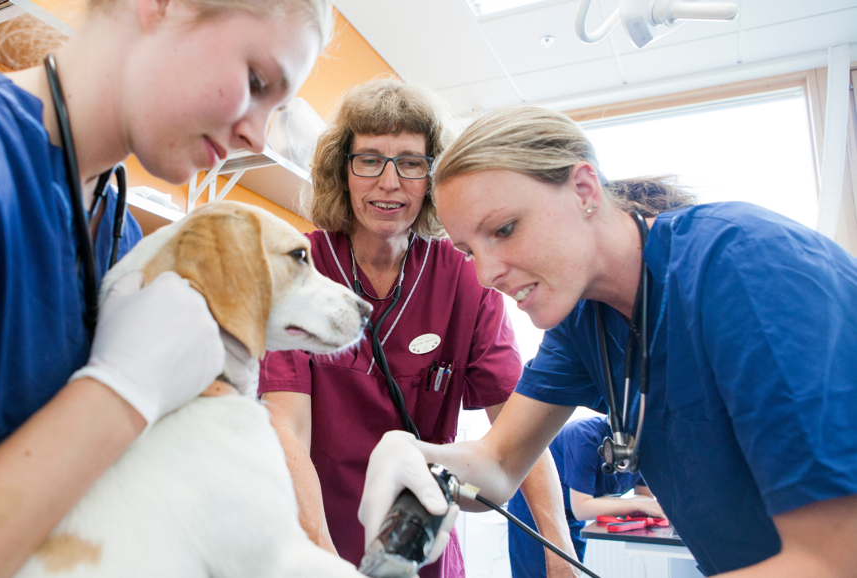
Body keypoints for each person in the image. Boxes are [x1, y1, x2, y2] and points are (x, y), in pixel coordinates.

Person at [0, 1, 332, 576]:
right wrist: (118, 396)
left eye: (278, 108)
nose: (257, 135)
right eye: (256, 81)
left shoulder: (116, 236)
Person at [358, 104, 857, 577]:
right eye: (469, 252)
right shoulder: (584, 324)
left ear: (583, 188)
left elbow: (835, 559)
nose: (486, 274)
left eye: (505, 230)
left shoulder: (747, 266)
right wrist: (414, 454)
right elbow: (498, 465)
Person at [258, 78, 579, 578]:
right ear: (343, 171)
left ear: (433, 178)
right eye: (369, 159)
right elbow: (286, 426)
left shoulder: (466, 277)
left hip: (425, 542)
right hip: (316, 537)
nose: (389, 183)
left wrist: (561, 555)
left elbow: (519, 427)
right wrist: (320, 559)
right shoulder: (301, 267)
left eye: (410, 162)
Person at [507, 416, 663, 577]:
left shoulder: (647, 447)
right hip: (535, 508)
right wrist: (638, 504)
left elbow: (644, 498)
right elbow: (582, 507)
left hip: (570, 513)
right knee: (537, 572)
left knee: (571, 571)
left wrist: (643, 505)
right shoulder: (585, 436)